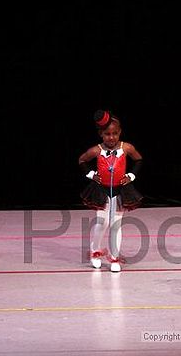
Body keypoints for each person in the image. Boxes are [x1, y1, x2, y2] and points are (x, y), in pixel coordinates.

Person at [78, 109, 143, 272]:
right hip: (101, 191)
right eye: (107, 134)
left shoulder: (126, 148)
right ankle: (95, 252)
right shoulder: (96, 150)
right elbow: (82, 160)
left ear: (120, 132)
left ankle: (114, 257)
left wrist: (131, 176)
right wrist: (91, 174)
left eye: (115, 133)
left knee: (116, 225)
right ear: (101, 134)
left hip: (120, 192)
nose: (111, 137)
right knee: (102, 223)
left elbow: (139, 160)